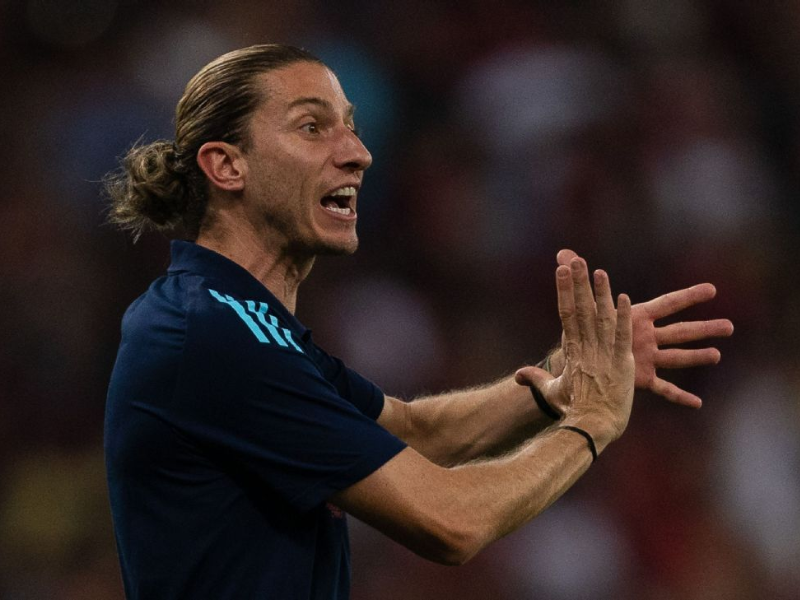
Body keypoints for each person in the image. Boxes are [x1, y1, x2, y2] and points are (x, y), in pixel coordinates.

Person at [103, 44, 733, 599]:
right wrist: (592, 421)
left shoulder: (249, 325)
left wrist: (561, 380)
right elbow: (449, 522)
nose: (357, 152)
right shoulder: (207, 331)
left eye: (350, 127)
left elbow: (408, 428)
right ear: (227, 165)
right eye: (312, 127)